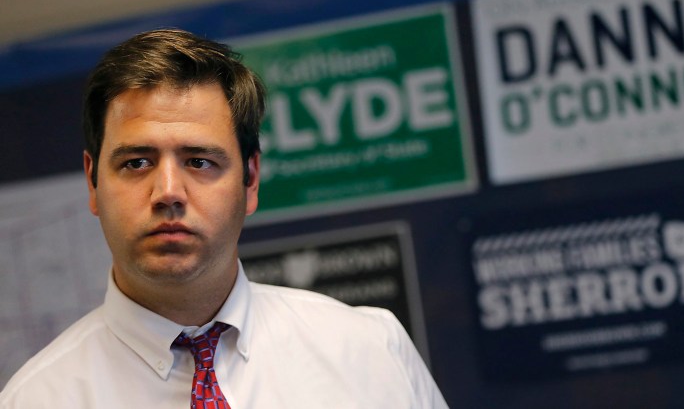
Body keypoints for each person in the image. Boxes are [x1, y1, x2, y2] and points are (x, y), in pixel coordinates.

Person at [0, 28, 448, 408]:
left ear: (250, 180)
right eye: (136, 163)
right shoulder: (33, 400)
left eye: (199, 161)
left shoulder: (371, 352)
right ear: (93, 182)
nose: (168, 192)